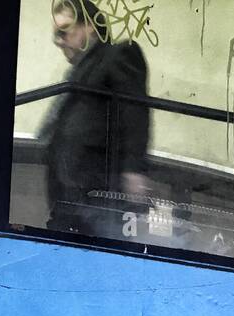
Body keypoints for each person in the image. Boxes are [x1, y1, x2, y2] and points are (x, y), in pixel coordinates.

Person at [40, 0, 151, 239]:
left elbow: (135, 109)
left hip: (99, 196)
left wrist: (134, 169)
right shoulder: (79, 72)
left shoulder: (119, 54)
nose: (58, 40)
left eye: (63, 31)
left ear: (89, 26)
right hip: (69, 199)